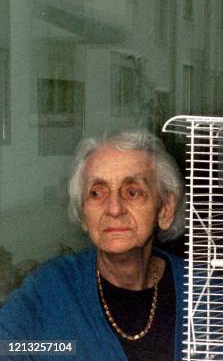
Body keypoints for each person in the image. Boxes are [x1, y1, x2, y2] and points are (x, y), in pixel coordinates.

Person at [0, 129, 185, 361]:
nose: (114, 209)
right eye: (97, 193)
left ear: (165, 209)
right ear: (83, 214)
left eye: (133, 192)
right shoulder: (50, 291)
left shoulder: (206, 293)